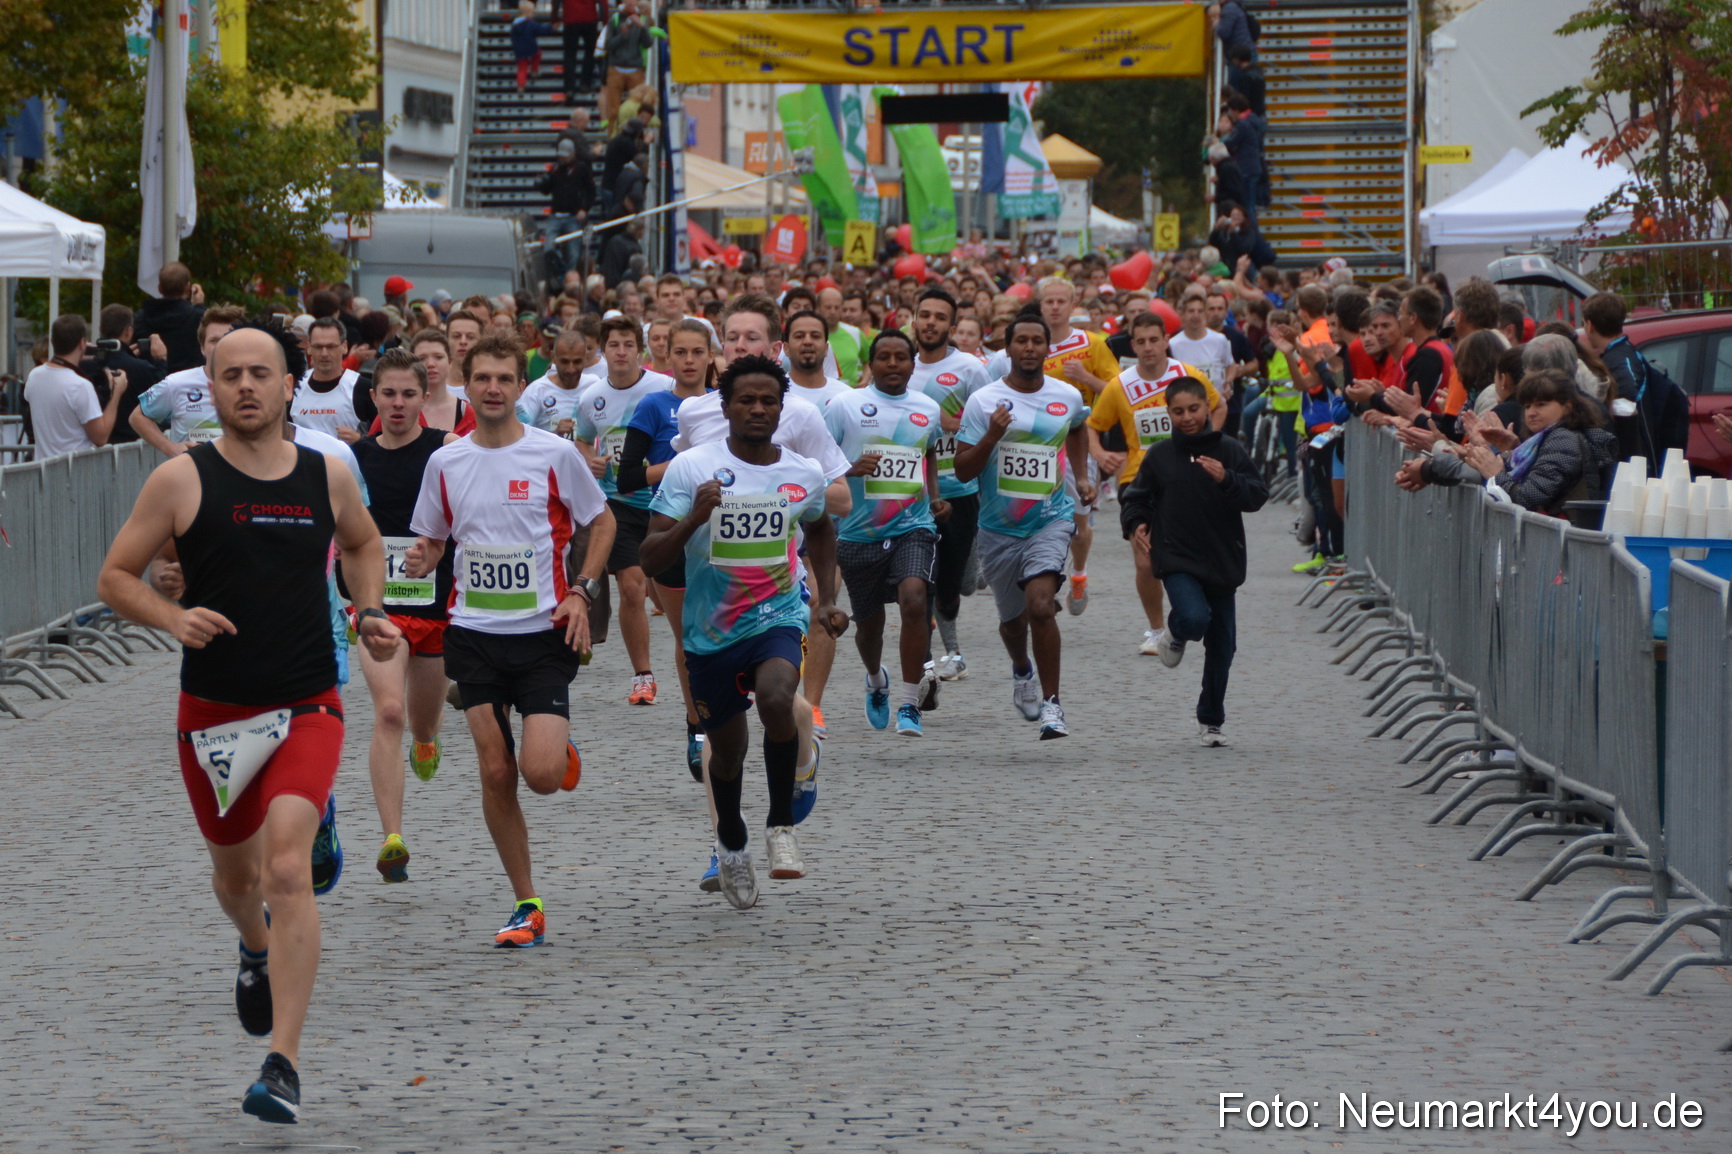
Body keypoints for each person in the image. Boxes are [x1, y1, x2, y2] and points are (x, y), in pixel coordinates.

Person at [95, 326, 398, 1123]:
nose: (246, 387)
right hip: (216, 710)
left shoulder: (326, 473)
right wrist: (172, 617)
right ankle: (254, 947)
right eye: (230, 375)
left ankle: (282, 1065)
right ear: (213, 387)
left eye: (261, 373)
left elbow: (364, 544)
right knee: (237, 881)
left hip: (306, 702)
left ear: (289, 385)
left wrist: (370, 610)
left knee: (288, 869)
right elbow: (115, 577)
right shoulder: (180, 479)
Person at [405, 333, 615, 948]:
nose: (493, 388)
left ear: (522, 387)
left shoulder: (554, 454)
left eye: (504, 378)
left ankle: (555, 747)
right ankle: (527, 903)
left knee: (540, 776)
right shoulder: (445, 463)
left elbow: (601, 521)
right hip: (473, 635)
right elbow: (436, 538)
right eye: (482, 378)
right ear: (465, 386)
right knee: (496, 772)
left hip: (543, 635)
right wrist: (424, 557)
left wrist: (582, 591)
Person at [640, 355, 848, 908]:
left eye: (768, 401)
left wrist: (827, 598)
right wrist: (693, 518)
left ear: (782, 409)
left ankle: (781, 825)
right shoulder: (692, 468)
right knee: (728, 752)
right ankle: (732, 841)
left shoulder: (803, 473)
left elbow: (821, 529)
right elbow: (650, 555)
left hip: (778, 614)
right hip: (710, 631)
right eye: (746, 400)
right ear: (726, 407)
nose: (758, 409)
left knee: (779, 699)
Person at [953, 313, 1094, 740]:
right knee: (1013, 622)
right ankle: (1021, 670)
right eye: (1021, 341)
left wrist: (1082, 476)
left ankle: (1053, 705)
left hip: (1050, 520)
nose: (1030, 348)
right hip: (997, 527)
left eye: (1037, 341)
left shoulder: (1066, 395)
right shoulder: (984, 401)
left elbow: (1078, 427)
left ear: (1048, 348)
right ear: (1008, 348)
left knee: (1040, 606)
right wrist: (991, 436)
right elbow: (962, 470)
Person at [351, 350, 457, 884]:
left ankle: (427, 740)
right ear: (373, 397)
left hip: (436, 606)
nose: (397, 403)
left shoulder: (448, 450)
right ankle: (392, 837)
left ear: (424, 397)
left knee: (421, 721)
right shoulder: (355, 459)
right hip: (379, 607)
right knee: (389, 712)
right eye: (388, 393)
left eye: (408, 394)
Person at [1118, 375, 1268, 747]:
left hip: (1222, 558)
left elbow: (1257, 495)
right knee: (1194, 616)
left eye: (1194, 409)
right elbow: (1136, 496)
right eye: (1178, 411)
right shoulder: (1160, 455)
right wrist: (1137, 524)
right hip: (1176, 555)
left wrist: (1226, 478)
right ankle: (1174, 631)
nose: (1187, 418)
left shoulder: (1228, 449)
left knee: (1223, 647)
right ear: (1167, 413)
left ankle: (1211, 720)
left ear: (1208, 408)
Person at [825, 330, 945, 735]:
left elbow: (928, 452)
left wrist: (935, 496)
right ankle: (877, 679)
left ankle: (909, 703)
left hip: (914, 526)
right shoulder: (845, 405)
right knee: (869, 627)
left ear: (913, 364)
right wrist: (849, 469)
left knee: (914, 600)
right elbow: (816, 461)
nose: (893, 364)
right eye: (884, 357)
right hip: (858, 533)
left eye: (901, 357)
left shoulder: (927, 408)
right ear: (871, 364)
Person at [1085, 311, 1222, 655]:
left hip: (1187, 477)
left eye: (1154, 340)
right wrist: (1099, 454)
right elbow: (1092, 426)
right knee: (1145, 559)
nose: (1148, 347)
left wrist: (1210, 442)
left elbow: (1218, 406)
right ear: (1132, 346)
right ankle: (1157, 629)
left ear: (1166, 341)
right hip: (1139, 480)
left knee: (1189, 554)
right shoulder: (1120, 385)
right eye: (1141, 341)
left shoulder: (1187, 376)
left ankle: (1187, 615)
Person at [616, 318, 716, 777]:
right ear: (666, 356)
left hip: (722, 533)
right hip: (671, 529)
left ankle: (725, 708)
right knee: (688, 637)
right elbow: (627, 478)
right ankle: (696, 724)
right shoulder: (654, 405)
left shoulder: (726, 403)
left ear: (711, 356)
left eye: (698, 352)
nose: (689, 361)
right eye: (681, 352)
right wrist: (682, 466)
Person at [571, 316, 674, 705]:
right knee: (632, 587)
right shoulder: (591, 398)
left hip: (667, 501)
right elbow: (582, 440)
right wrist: (591, 459)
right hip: (619, 503)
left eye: (629, 345)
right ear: (602, 351)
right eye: (613, 345)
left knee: (669, 591)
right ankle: (643, 676)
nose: (621, 352)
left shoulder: (663, 388)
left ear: (640, 350)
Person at [910, 287, 991, 682]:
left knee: (957, 585)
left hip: (960, 491)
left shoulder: (970, 369)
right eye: (925, 315)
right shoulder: (900, 364)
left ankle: (976, 564)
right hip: (913, 494)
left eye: (940, 317)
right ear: (914, 320)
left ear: (952, 327)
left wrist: (950, 424)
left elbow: (989, 427)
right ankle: (948, 655)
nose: (931, 323)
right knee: (922, 579)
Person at [1036, 277, 1118, 616]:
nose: (1055, 307)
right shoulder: (1031, 343)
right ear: (1041, 306)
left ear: (1072, 306)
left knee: (1079, 526)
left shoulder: (1092, 344)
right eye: (1049, 301)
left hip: (1078, 444)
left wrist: (1086, 378)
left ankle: (1079, 573)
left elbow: (1117, 392)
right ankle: (1043, 580)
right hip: (1038, 447)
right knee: (1037, 521)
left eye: (1061, 301)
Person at [1579, 291, 1690, 464]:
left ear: (1589, 325)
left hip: (1635, 459)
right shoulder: (1623, 354)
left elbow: (1628, 395)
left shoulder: (1621, 360)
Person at [24, 314, 131, 460]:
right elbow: (100, 438)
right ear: (82, 343)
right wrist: (117, 393)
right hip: (75, 470)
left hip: (45, 467)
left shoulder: (34, 376)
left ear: (53, 342)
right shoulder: (79, 386)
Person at [96, 303, 165, 445]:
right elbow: (161, 396)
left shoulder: (88, 364)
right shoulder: (141, 368)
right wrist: (161, 359)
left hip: (94, 447)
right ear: (128, 331)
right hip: (130, 443)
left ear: (100, 329)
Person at [290, 318, 366, 443]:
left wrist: (360, 440)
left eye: (331, 347)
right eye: (318, 347)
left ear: (344, 347)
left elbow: (384, 438)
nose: (324, 353)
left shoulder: (361, 387)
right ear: (309, 347)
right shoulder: (295, 386)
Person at [537, 136, 595, 280]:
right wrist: (541, 183)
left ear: (573, 154)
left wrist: (584, 208)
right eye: (561, 156)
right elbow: (547, 189)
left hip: (572, 216)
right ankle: (555, 275)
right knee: (548, 248)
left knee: (573, 253)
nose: (562, 159)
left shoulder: (581, 168)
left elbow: (591, 190)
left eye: (565, 156)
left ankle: (571, 279)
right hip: (556, 215)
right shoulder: (555, 169)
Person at [133, 261, 207, 373]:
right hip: (189, 379)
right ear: (188, 288)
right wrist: (200, 305)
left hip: (153, 379)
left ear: (159, 288)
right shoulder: (198, 317)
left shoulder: (141, 318)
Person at [600, 1, 653, 128]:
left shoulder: (641, 19)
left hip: (635, 69)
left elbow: (648, 43)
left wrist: (642, 27)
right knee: (613, 109)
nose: (630, 4)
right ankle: (613, 135)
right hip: (616, 68)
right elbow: (608, 45)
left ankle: (636, 134)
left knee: (636, 107)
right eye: (627, 2)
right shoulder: (615, 19)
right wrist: (622, 34)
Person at [560, 0, 604, 99]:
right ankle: (585, 83)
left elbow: (556, 2)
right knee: (591, 51)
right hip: (590, 19)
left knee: (570, 54)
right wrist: (604, 20)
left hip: (570, 19)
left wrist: (554, 19)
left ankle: (569, 88)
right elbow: (602, 3)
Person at [510, 1, 552, 91]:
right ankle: (534, 70)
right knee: (538, 54)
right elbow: (541, 29)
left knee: (522, 68)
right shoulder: (531, 23)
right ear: (528, 12)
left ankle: (521, 86)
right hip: (531, 48)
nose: (533, 14)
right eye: (533, 12)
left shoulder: (514, 25)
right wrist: (551, 27)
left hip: (519, 50)